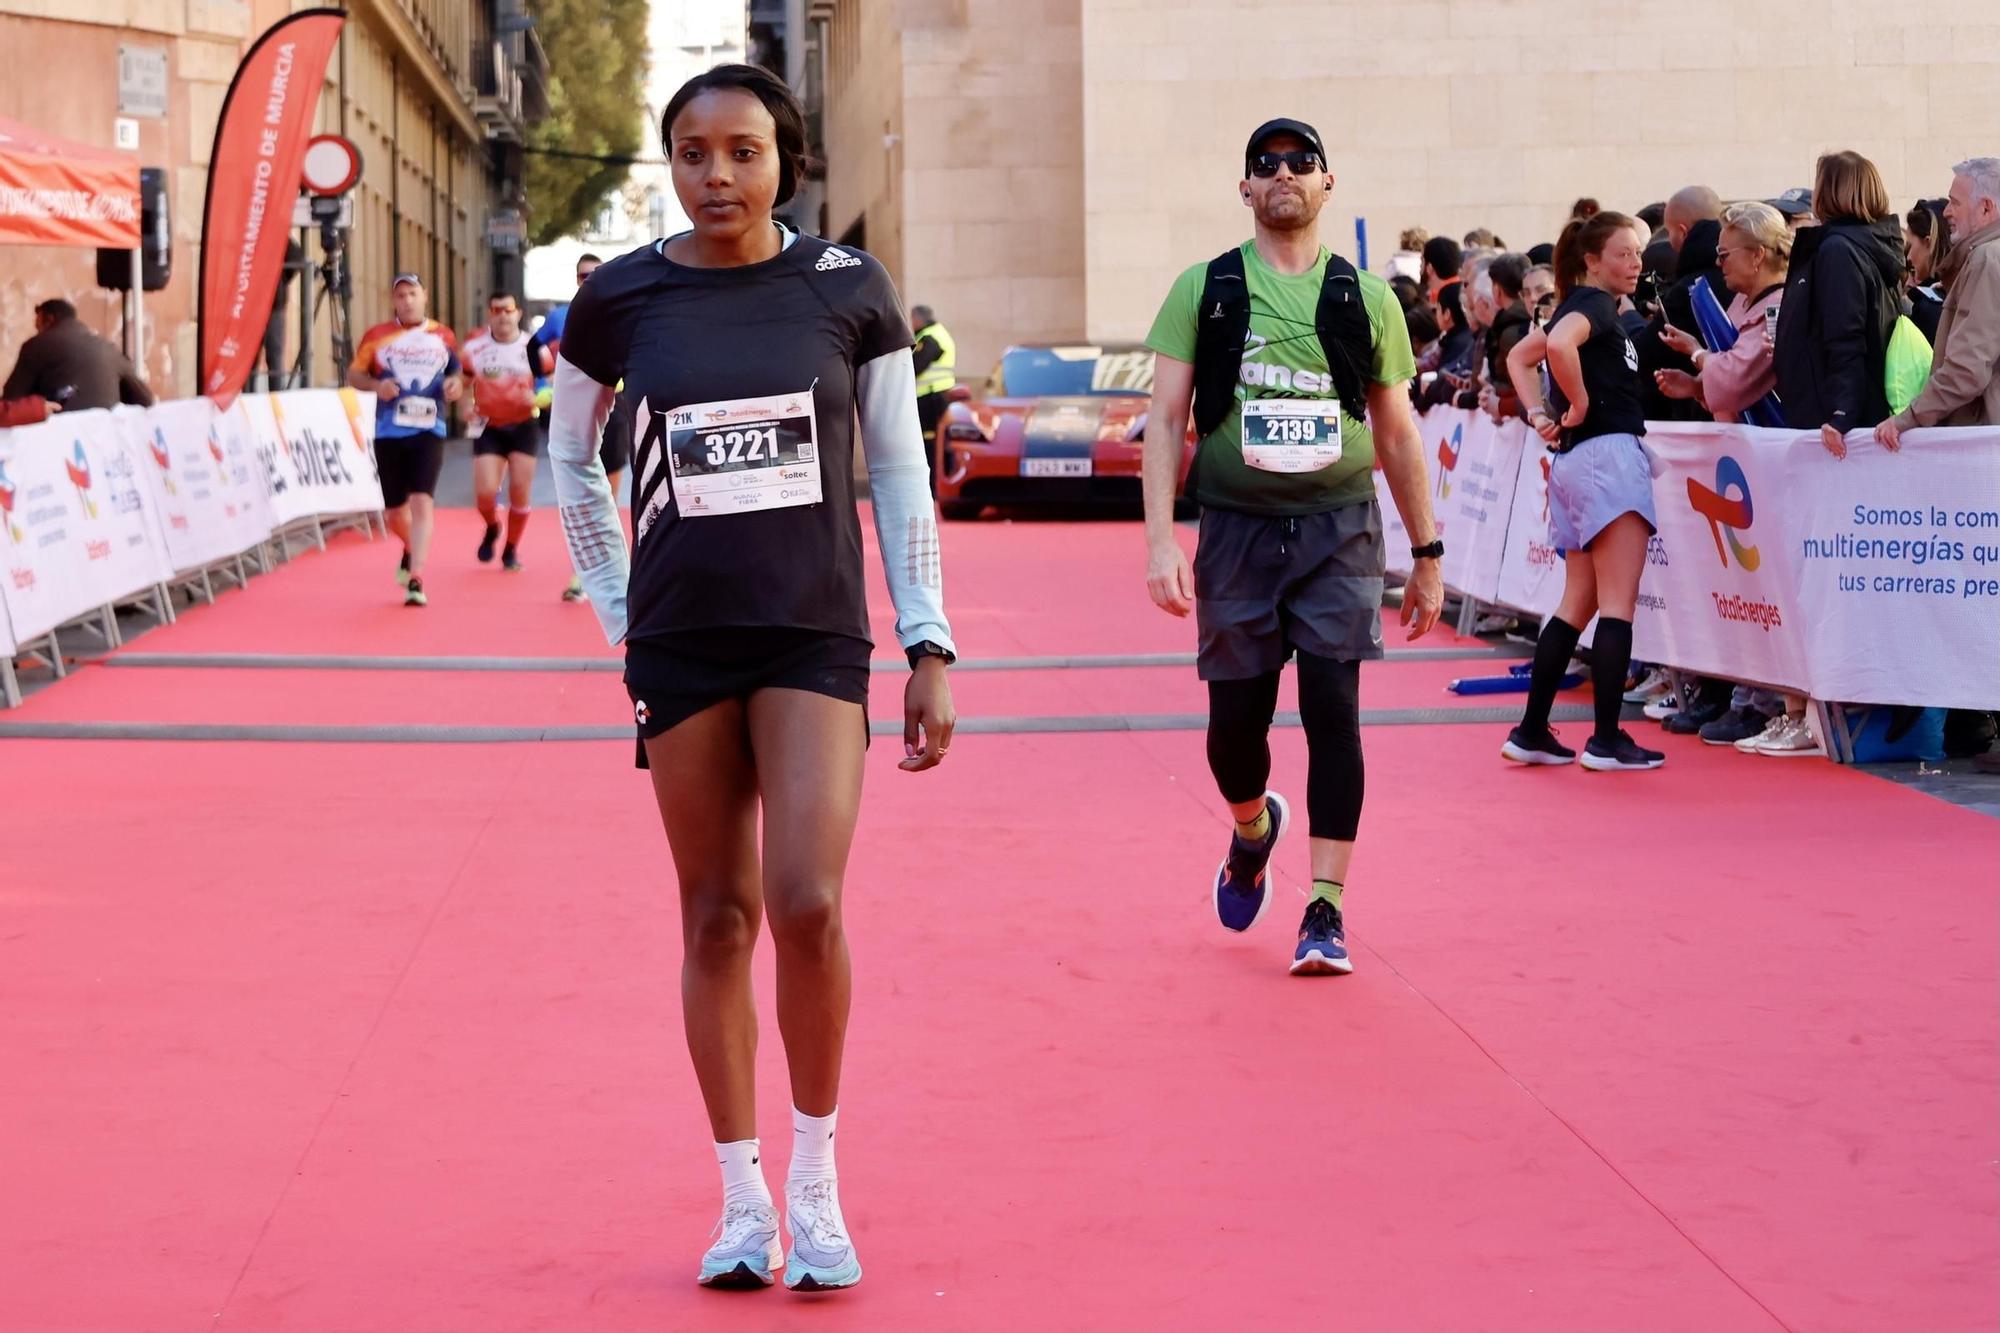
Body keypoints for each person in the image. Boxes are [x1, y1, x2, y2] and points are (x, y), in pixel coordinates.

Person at [546, 63, 954, 1292]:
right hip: (679, 642)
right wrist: (622, 605)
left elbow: (896, 468)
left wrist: (926, 637)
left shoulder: (845, 287)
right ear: (667, 163)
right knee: (715, 913)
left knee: (806, 902)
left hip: (813, 633)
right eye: (691, 152)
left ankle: (818, 1185)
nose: (716, 174)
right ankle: (740, 1201)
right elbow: (570, 462)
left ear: (787, 158)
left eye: (742, 151)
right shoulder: (620, 298)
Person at [1141, 115, 1443, 979]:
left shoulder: (1367, 297)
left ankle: (1326, 907)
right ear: (1245, 189)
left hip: (1338, 530)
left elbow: (1397, 429)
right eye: (1265, 165)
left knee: (1332, 714)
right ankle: (1251, 829)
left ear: (1326, 183)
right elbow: (1164, 420)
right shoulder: (1204, 288)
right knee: (1234, 731)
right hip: (1235, 530)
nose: (1284, 174)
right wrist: (1162, 540)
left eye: (1300, 162)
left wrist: (1427, 551)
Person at [1654, 202, 1819, 756]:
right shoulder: (1747, 302)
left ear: (1758, 252)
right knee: (1749, 592)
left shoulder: (1774, 308)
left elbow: (1739, 378)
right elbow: (1727, 382)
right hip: (1750, 475)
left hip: (1772, 475)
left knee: (1772, 591)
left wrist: (1702, 361)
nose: (1720, 263)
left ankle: (1773, 703)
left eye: (1726, 253)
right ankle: (1760, 699)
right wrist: (1696, 383)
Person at [1502, 211, 1664, 773]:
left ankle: (1531, 731)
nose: (1636, 263)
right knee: (1616, 604)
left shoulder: (1587, 308)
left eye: (1638, 253)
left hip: (1578, 460)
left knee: (1578, 603)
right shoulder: (1591, 307)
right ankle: (1606, 738)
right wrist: (1575, 404)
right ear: (1593, 261)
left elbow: (1520, 356)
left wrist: (1544, 411)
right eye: (1623, 253)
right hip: (1605, 456)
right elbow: (1554, 351)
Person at [1774, 151, 1905, 458]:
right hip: (1854, 414)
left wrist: (1841, 414)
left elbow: (1846, 335)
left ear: (1830, 192)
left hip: (1838, 428)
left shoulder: (1838, 251)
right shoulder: (1867, 247)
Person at [347, 274, 463, 606]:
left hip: (430, 429)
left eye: (412, 293)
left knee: (422, 501)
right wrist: (376, 387)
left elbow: (454, 371)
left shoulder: (442, 335)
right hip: (389, 430)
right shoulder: (377, 336)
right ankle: (411, 547)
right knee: (395, 512)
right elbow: (354, 374)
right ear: (393, 300)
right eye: (401, 295)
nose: (407, 300)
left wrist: (454, 385)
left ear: (424, 296)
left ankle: (417, 578)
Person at [534, 254, 635, 603]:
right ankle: (585, 575)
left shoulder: (624, 310)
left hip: (618, 407)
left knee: (607, 492)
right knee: (583, 491)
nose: (588, 280)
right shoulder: (561, 317)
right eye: (582, 275)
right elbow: (534, 347)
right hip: (576, 410)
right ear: (575, 279)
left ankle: (614, 575)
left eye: (594, 274)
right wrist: (542, 380)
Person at [1877, 157, 2000, 441]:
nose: (1946, 212)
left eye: (1955, 202)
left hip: (1980, 442)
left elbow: (1967, 369)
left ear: (1985, 208)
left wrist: (1908, 419)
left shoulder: (1986, 260)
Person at [461, 291, 553, 570]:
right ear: (490, 314)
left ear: (518, 314)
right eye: (496, 310)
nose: (502, 316)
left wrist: (538, 398)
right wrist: (466, 406)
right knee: (486, 493)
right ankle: (492, 526)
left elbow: (550, 383)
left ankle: (511, 549)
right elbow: (463, 382)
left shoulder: (534, 348)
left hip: (523, 425)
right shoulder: (474, 348)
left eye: (508, 310)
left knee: (519, 492)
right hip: (489, 426)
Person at [4, 299, 154, 411]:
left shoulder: (37, 345)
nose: (38, 333)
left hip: (59, 440)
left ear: (49, 320)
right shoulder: (109, 348)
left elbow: (10, 401)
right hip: (105, 443)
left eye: (39, 327)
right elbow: (145, 399)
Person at [909, 303, 956, 492]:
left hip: (931, 397)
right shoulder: (937, 333)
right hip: (936, 396)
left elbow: (915, 366)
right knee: (934, 443)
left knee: (929, 444)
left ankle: (932, 487)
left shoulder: (930, 338)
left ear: (918, 319)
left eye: (912, 319)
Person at [1902, 196, 1953, 344]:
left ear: (1928, 243)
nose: (1909, 256)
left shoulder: (1928, 308)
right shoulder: (1964, 289)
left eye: (1911, 245)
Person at [1422, 234, 1463, 300]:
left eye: (1422, 261)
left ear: (1429, 268)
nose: (1420, 266)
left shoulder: (1435, 303)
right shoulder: (1465, 295)